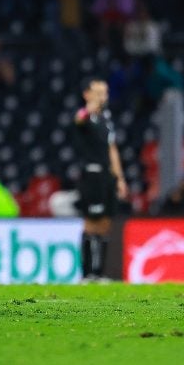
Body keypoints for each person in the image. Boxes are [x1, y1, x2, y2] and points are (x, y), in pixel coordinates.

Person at [73, 77, 128, 283]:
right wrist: (90, 108)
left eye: (105, 92)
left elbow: (112, 149)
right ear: (87, 94)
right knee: (90, 223)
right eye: (98, 92)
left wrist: (120, 178)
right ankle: (86, 274)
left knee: (105, 223)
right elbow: (78, 118)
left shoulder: (106, 118)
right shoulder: (85, 117)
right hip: (91, 175)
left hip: (107, 176)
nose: (103, 96)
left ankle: (99, 272)